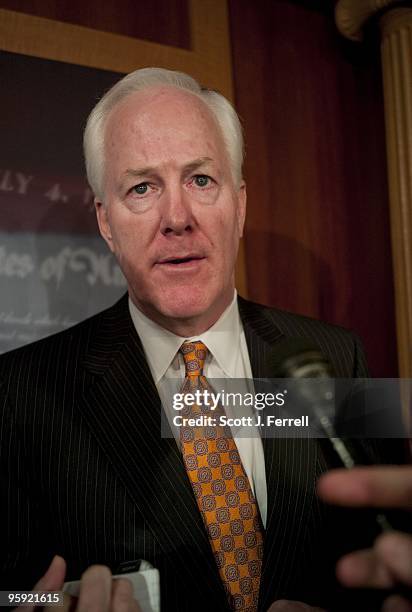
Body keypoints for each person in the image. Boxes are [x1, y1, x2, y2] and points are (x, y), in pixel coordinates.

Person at [0, 67, 405, 611]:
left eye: (200, 180)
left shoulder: (337, 357)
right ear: (105, 222)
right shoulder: (19, 393)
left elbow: (386, 550)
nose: (176, 218)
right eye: (141, 187)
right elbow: (9, 591)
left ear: (239, 205)